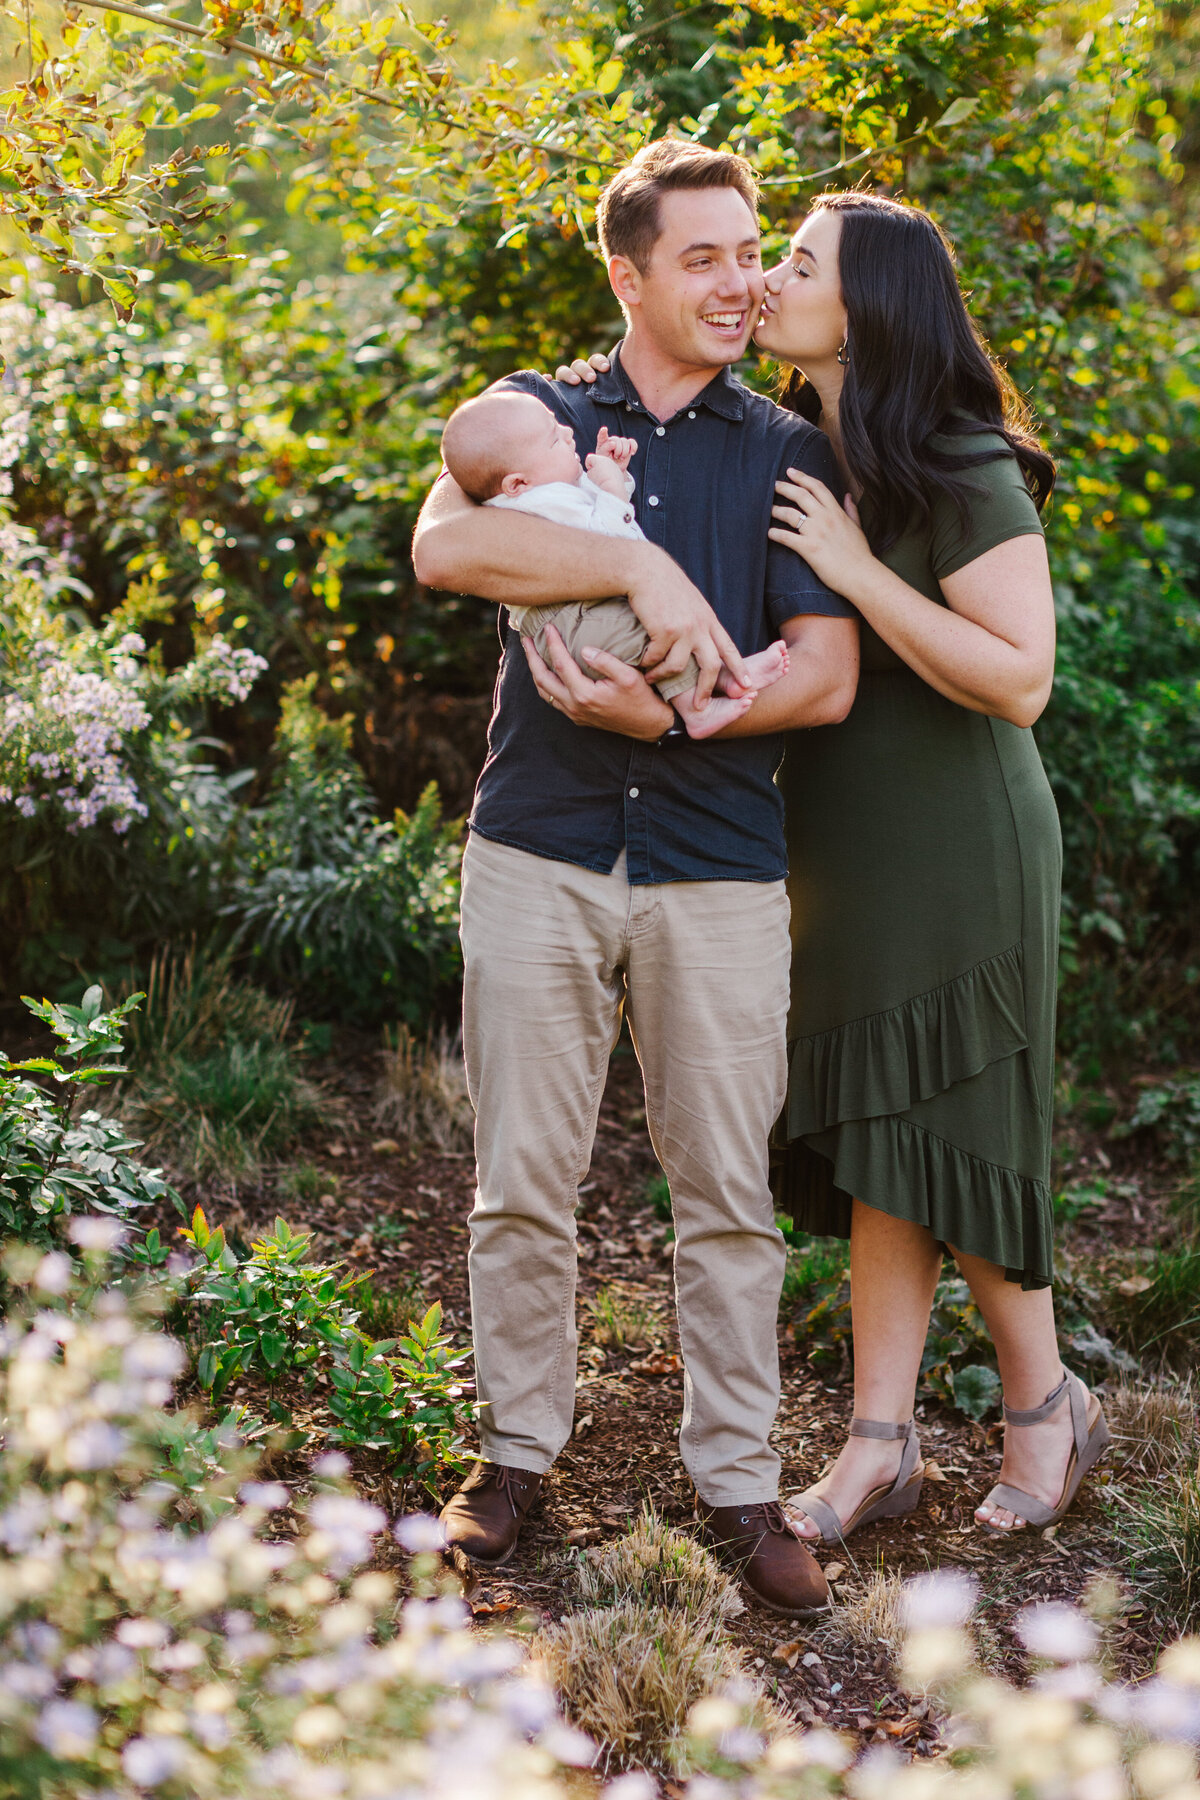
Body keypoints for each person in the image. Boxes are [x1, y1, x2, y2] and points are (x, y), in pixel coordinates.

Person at [559, 191, 1109, 1543]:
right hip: (837, 848)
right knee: (876, 1134)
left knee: (958, 1127)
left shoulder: (955, 460)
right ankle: (879, 1445)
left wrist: (860, 572)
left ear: (866, 308)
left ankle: (1047, 1409)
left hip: (959, 845)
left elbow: (1024, 680)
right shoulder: (803, 450)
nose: (766, 282)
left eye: (794, 264)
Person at [411, 138, 859, 1614]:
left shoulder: (787, 450)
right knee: (519, 1179)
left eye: (752, 254)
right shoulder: (544, 413)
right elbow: (444, 545)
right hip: (537, 843)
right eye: (707, 257)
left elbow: (827, 673)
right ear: (629, 274)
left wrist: (665, 705)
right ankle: (516, 1453)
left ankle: (738, 1481)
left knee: (726, 1188)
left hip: (718, 862)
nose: (741, 283)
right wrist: (651, 582)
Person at [439, 389, 790, 739]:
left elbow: (586, 517)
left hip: (576, 613)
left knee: (654, 629)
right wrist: (611, 487)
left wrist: (615, 473)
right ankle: (697, 708)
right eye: (553, 440)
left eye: (558, 426)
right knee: (654, 633)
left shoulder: (536, 491)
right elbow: (609, 537)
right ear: (516, 483)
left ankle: (720, 678)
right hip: (569, 619)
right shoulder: (540, 501)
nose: (567, 433)